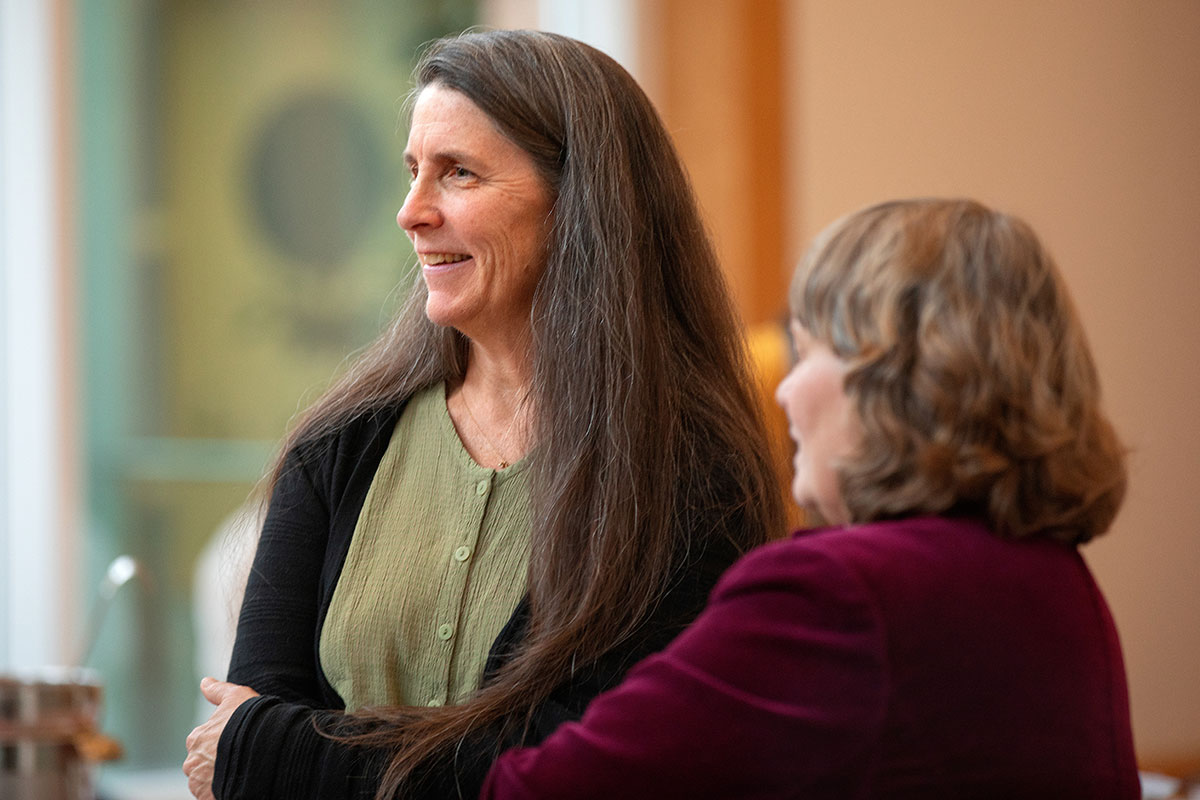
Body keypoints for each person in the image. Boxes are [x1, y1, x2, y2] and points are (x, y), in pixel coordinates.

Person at [181, 29, 784, 800]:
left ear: (579, 203)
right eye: (412, 173)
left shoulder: (689, 473)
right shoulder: (339, 446)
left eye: (457, 173)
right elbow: (240, 748)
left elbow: (581, 776)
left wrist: (294, 758)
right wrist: (272, 754)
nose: (410, 213)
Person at [478, 198, 1140, 799]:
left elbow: (543, 792)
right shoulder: (1056, 580)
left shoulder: (844, 593)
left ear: (896, 376)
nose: (785, 391)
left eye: (810, 347)